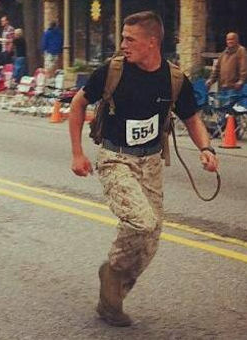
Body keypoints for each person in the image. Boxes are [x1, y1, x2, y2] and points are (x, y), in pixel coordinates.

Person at [68, 11, 218, 327]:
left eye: (130, 39)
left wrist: (206, 149)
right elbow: (78, 104)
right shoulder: (113, 70)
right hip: (115, 158)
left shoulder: (174, 79)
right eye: (123, 37)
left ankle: (113, 290)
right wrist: (78, 153)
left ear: (152, 42)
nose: (123, 44)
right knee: (141, 221)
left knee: (151, 241)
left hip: (150, 162)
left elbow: (191, 118)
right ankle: (112, 273)